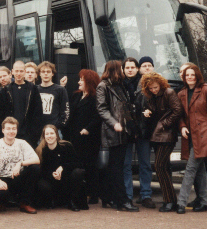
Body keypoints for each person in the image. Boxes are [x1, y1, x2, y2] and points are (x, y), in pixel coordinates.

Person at [176, 65, 207, 214]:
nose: (190, 77)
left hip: (204, 135)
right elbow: (180, 115)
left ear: (197, 76)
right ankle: (206, 201)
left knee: (190, 169)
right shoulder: (182, 93)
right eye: (187, 75)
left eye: (192, 74)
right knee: (200, 170)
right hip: (190, 136)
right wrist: (182, 126)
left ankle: (181, 203)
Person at [96, 60, 139, 212]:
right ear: (114, 70)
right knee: (116, 167)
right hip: (113, 131)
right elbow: (102, 109)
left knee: (115, 166)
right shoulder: (103, 86)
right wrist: (114, 123)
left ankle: (110, 197)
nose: (123, 71)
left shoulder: (120, 85)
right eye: (121, 68)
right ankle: (121, 201)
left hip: (123, 130)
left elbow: (125, 107)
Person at [140, 72, 182, 212]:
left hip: (167, 134)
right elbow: (156, 112)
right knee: (162, 167)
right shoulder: (152, 96)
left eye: (155, 87)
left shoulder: (169, 92)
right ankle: (169, 200)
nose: (153, 90)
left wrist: (164, 124)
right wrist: (148, 112)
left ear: (160, 84)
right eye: (151, 88)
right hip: (157, 134)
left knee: (159, 166)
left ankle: (170, 201)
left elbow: (177, 110)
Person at [121, 57, 155, 208]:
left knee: (145, 163)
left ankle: (146, 195)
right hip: (127, 130)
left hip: (143, 129)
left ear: (137, 69)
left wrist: (149, 111)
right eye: (127, 67)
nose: (130, 70)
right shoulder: (119, 86)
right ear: (123, 70)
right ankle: (127, 195)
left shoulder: (146, 85)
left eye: (132, 67)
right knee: (126, 164)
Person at [0, 117, 41, 214]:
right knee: (0, 192)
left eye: (14, 128)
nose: (11, 131)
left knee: (35, 169)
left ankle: (24, 203)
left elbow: (37, 160)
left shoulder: (22, 143)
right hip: (1, 178)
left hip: (16, 178)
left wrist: (20, 163)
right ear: (3, 130)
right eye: (8, 129)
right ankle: (1, 201)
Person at [64, 69, 101, 204]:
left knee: (90, 165)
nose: (78, 82)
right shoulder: (76, 96)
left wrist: (88, 129)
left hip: (89, 138)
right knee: (78, 164)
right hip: (75, 135)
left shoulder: (95, 98)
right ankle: (81, 192)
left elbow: (97, 116)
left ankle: (94, 194)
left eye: (82, 80)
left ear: (89, 82)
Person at [35, 124, 86, 211]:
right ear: (44, 136)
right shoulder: (40, 150)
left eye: (52, 133)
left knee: (78, 172)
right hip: (51, 181)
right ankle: (51, 200)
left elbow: (78, 163)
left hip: (67, 179)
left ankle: (72, 201)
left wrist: (63, 167)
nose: (49, 136)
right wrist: (52, 174)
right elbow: (41, 170)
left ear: (56, 135)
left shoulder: (66, 146)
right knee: (41, 183)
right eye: (47, 134)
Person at [0, 61, 43, 148]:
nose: (18, 74)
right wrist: (1, 134)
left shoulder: (33, 89)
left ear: (24, 72)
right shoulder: (5, 91)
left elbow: (38, 113)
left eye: (21, 71)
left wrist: (34, 135)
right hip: (10, 134)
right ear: (12, 72)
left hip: (28, 134)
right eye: (16, 71)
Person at [37, 61, 69, 133]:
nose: (45, 74)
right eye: (43, 71)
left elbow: (65, 110)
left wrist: (58, 126)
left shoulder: (60, 90)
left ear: (52, 73)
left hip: (55, 130)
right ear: (39, 74)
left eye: (48, 71)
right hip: (38, 130)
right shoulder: (35, 90)